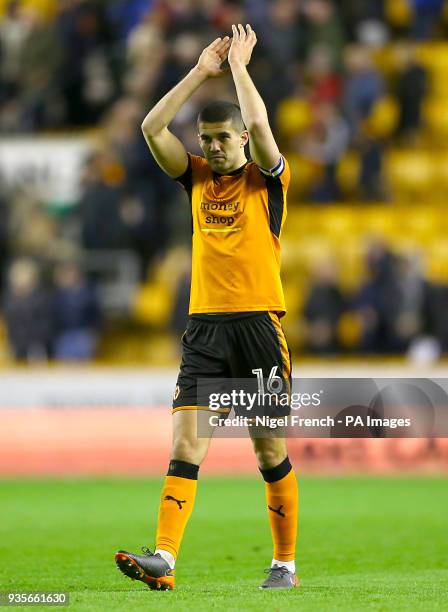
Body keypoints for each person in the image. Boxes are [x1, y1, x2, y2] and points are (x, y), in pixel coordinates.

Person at [115, 24, 299, 591]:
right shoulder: (193, 177)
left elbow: (265, 124)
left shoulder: (267, 181)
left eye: (224, 137)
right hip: (205, 332)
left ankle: (284, 564)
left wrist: (240, 68)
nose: (214, 146)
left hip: (259, 328)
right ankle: (164, 560)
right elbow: (151, 127)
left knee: (268, 449)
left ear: (242, 138)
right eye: (207, 138)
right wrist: (201, 71)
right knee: (186, 444)